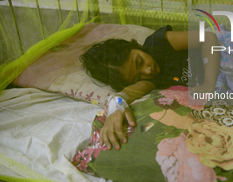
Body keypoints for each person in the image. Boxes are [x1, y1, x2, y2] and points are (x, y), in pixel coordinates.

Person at [80, 25, 220, 151]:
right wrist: (115, 107)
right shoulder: (152, 81)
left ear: (134, 46)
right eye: (137, 78)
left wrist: (208, 83)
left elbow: (208, 37)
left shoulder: (156, 44)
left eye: (139, 61)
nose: (147, 71)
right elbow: (124, 96)